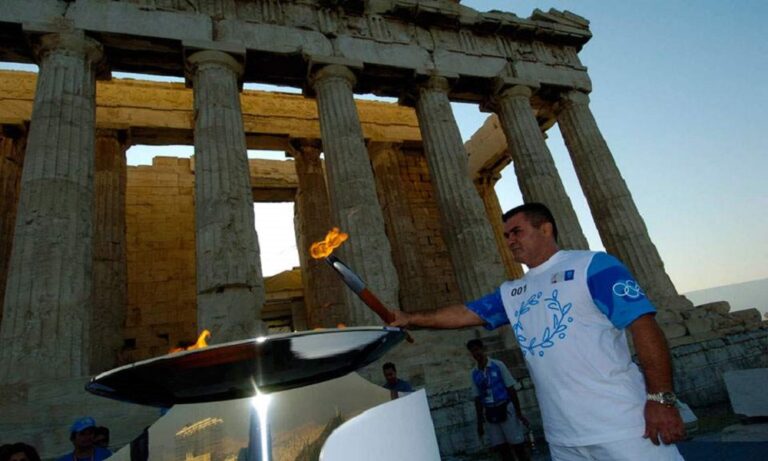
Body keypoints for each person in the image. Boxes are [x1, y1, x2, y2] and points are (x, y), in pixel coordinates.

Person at [391, 202, 686, 460]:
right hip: (563, 438)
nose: (510, 240)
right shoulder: (513, 291)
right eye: (506, 236)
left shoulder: (593, 266)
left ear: (545, 229)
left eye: (516, 232)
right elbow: (465, 313)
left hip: (623, 426)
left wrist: (661, 400)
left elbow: (644, 326)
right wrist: (411, 318)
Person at [467, 339, 530, 461]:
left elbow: (511, 389)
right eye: (472, 351)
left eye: (476, 349)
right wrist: (479, 422)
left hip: (506, 408)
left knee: (518, 445)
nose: (475, 353)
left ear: (483, 349)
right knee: (502, 448)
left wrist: (518, 413)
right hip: (490, 412)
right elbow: (477, 398)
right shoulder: (474, 373)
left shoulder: (498, 365)